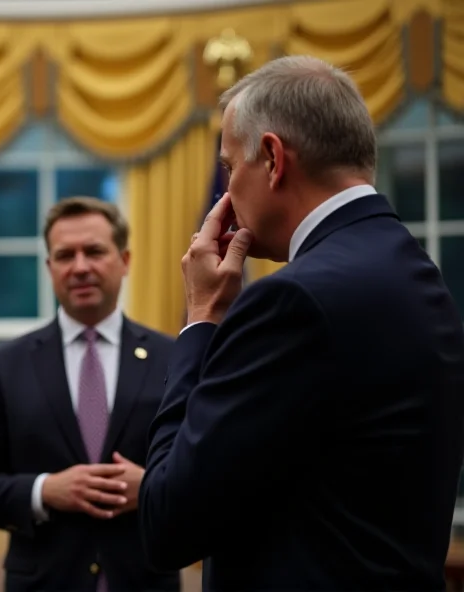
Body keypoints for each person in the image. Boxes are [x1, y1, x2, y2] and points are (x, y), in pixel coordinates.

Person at [139, 55, 464, 591]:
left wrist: (200, 319)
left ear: (271, 158)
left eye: (227, 167)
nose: (224, 194)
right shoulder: (413, 270)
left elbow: (166, 524)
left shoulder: (292, 302)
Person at [0, 197, 181, 592]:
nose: (80, 267)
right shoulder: (4, 365)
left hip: (144, 579)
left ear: (124, 260)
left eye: (94, 251)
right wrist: (45, 490)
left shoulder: (173, 357)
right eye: (64, 255)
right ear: (49, 267)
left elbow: (204, 469)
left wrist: (152, 489)